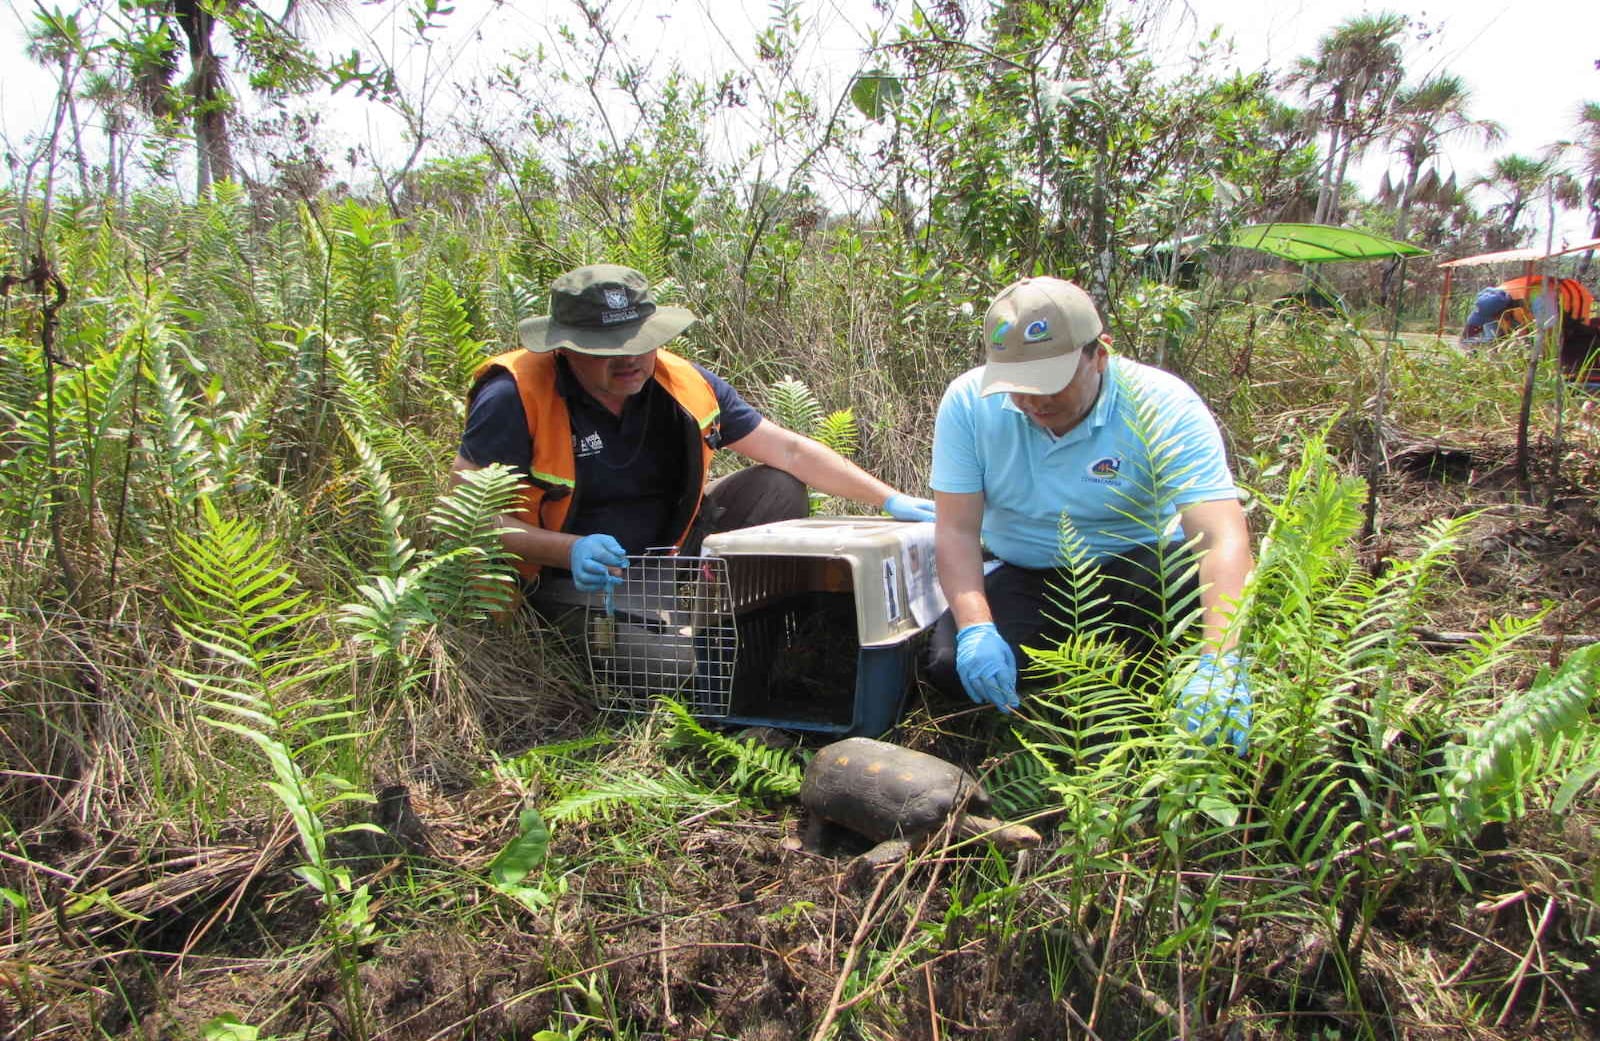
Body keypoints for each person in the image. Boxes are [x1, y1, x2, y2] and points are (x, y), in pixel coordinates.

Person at [452, 264, 935, 634]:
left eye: (640, 342)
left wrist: (887, 499)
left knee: (776, 487)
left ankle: (726, 616)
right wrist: (567, 550)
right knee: (678, 671)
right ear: (564, 347)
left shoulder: (679, 381)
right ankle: (677, 635)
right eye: (606, 348)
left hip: (671, 552)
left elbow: (787, 451)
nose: (629, 360)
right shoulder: (515, 395)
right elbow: (467, 517)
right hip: (577, 580)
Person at [926, 276, 1255, 751]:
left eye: (1051, 383)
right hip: (1028, 571)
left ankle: (1170, 692)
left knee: (1184, 589)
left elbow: (1221, 537)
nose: (1034, 401)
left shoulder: (1161, 404)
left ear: (1100, 354)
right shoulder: (968, 402)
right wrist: (977, 627)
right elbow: (956, 529)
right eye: (1018, 386)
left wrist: (1221, 660)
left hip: (1136, 569)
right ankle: (1077, 692)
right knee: (949, 665)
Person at [1462, 275, 1600, 389]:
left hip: (1573, 335)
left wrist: (1544, 369)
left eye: (1496, 317)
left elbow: (1550, 335)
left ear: (1506, 310)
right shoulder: (1489, 300)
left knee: (1570, 375)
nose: (1495, 320)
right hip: (1536, 326)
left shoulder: (1539, 295)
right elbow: (1471, 335)